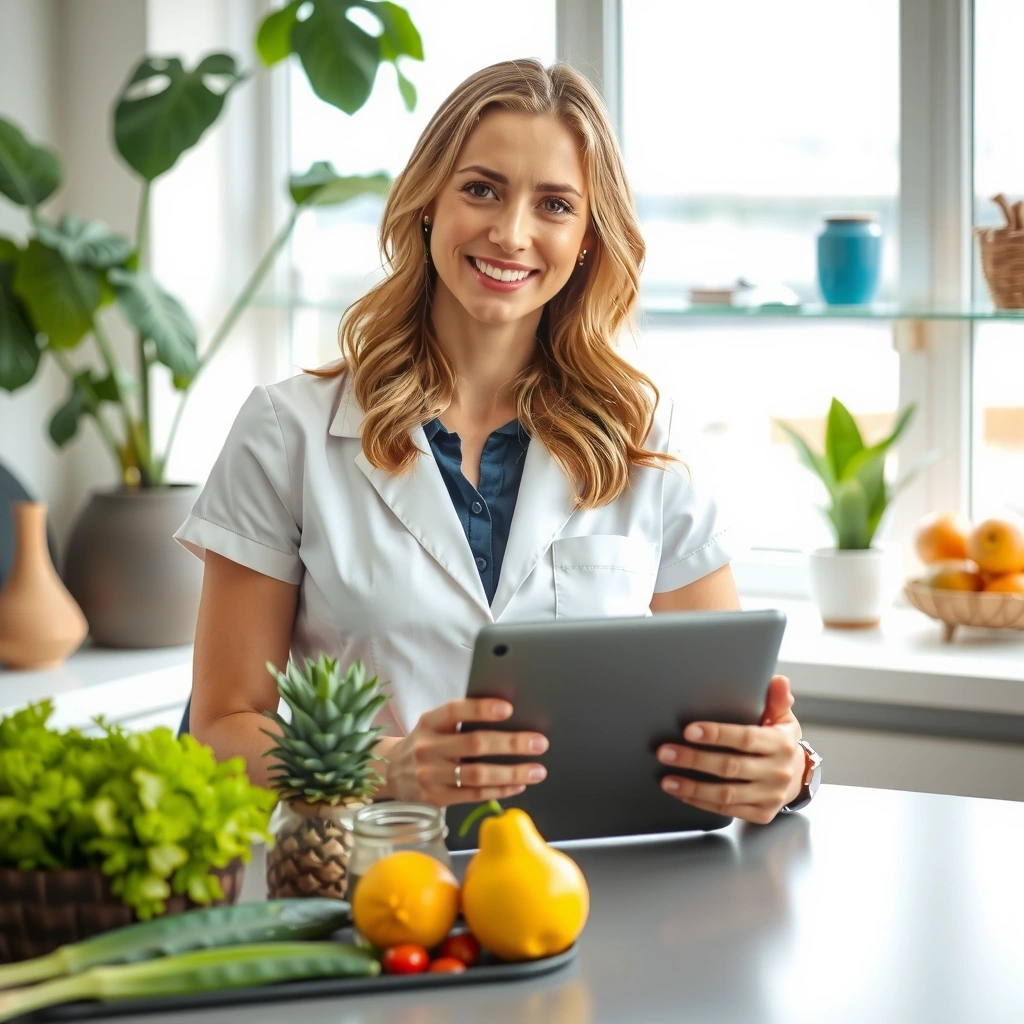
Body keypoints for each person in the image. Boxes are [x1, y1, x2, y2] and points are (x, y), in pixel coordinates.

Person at [174, 58, 819, 826]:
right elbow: (219, 730)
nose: (511, 234)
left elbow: (740, 717)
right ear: (427, 205)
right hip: (371, 886)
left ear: (586, 239)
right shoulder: (288, 432)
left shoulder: (647, 439)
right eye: (481, 189)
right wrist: (387, 767)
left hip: (590, 891)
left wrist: (787, 766)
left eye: (554, 204)